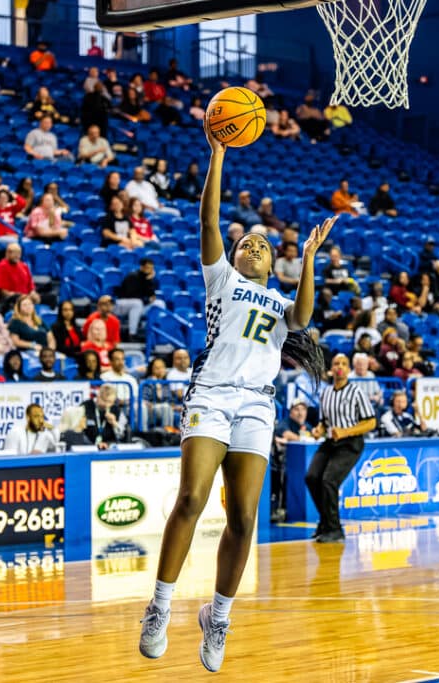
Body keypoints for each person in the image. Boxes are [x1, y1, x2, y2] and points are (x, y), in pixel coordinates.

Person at [138, 121, 333, 672]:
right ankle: (159, 606)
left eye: (262, 245)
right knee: (192, 500)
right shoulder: (221, 279)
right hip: (212, 394)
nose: (251, 245)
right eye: (246, 241)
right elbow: (208, 219)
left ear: (273, 264)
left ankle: (218, 616)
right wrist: (218, 155)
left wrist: (310, 259)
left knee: (245, 517)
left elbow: (303, 317)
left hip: (256, 406)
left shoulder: (277, 301)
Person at [305, 353, 377, 542]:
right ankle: (326, 521)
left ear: (348, 369)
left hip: (351, 443)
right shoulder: (325, 392)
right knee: (312, 477)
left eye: (344, 364)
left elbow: (370, 422)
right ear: (331, 369)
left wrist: (346, 431)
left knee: (329, 480)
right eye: (336, 363)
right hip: (330, 441)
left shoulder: (356, 391)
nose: (340, 366)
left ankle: (334, 529)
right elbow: (324, 422)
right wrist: (318, 430)